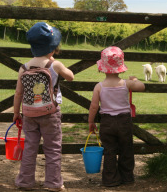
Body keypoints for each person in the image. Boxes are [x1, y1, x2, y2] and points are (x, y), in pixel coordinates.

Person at [13, 22, 74, 191]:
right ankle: (54, 183)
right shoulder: (55, 65)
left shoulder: (23, 67)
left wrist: (16, 113)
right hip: (50, 112)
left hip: (29, 113)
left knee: (30, 148)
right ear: (53, 47)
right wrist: (56, 62)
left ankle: (25, 182)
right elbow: (71, 77)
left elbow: (18, 93)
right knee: (53, 148)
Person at [88, 46, 145, 187]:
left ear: (102, 68)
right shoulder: (126, 83)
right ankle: (127, 178)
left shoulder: (99, 86)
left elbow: (94, 106)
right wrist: (135, 79)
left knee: (109, 151)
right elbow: (142, 86)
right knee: (126, 149)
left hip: (107, 122)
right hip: (124, 121)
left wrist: (91, 122)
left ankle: (110, 179)